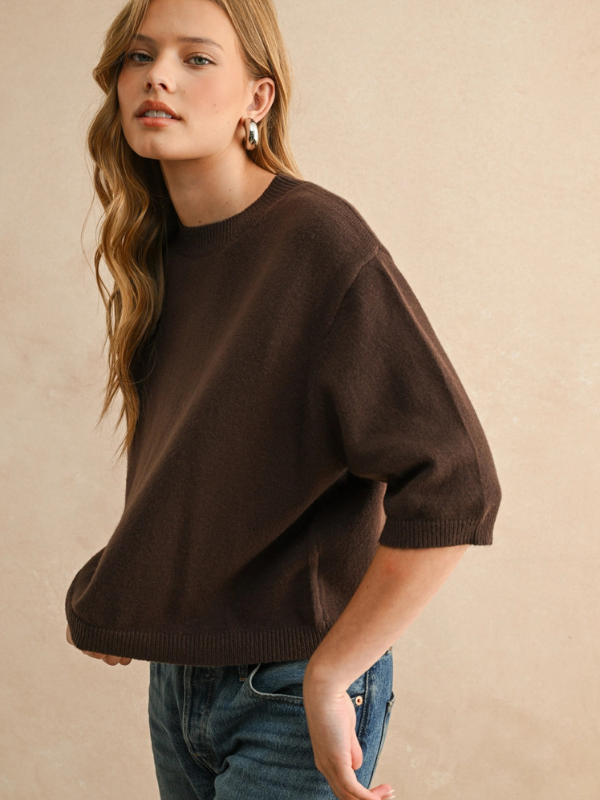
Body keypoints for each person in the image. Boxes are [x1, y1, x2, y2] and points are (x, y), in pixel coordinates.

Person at [64, 0, 502, 798]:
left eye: (197, 58)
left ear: (257, 98)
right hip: (181, 679)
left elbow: (456, 483)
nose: (158, 76)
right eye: (139, 55)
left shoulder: (315, 241)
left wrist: (333, 675)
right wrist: (127, 589)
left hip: (289, 691)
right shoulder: (160, 251)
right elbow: (210, 467)